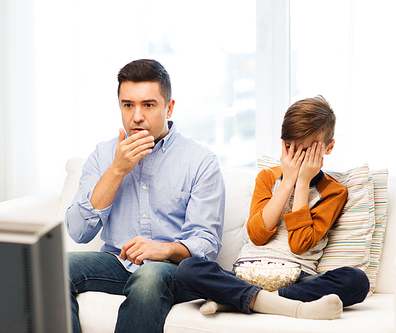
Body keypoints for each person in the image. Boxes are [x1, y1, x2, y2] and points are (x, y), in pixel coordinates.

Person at [65, 59, 226, 333]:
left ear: (169, 107)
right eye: (128, 105)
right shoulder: (104, 156)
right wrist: (116, 171)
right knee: (54, 269)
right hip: (116, 263)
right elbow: (78, 231)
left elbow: (206, 244)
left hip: (173, 271)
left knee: (150, 274)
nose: (136, 116)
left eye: (148, 105)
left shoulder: (200, 161)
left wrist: (164, 249)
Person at [176, 95, 370, 320]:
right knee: (188, 269)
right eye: (290, 148)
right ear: (282, 143)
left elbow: (299, 244)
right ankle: (284, 305)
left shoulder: (333, 191)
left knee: (356, 281)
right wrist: (287, 182)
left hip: (297, 275)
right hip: (246, 272)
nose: (297, 158)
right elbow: (257, 236)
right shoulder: (268, 177)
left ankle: (238, 299)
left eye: (306, 151)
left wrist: (304, 183)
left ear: (329, 147)